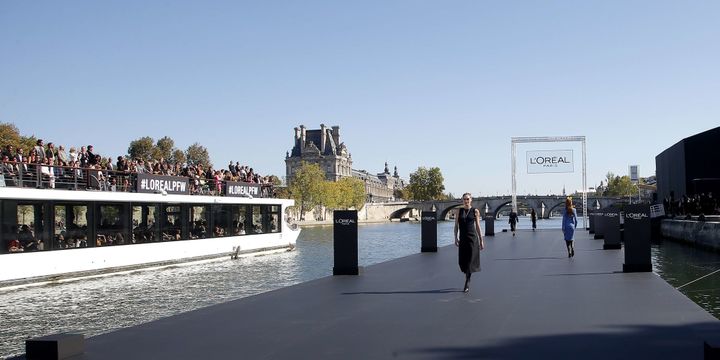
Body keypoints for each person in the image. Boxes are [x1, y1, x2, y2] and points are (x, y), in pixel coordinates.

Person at [454, 192, 485, 293]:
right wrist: (455, 237)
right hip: (463, 239)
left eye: (468, 199)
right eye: (464, 199)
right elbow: (456, 226)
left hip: (472, 238)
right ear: (462, 200)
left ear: (471, 200)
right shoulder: (459, 211)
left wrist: (481, 240)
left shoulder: (475, 211)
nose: (466, 201)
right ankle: (467, 275)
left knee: (470, 261)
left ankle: (467, 281)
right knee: (462, 261)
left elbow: (478, 227)